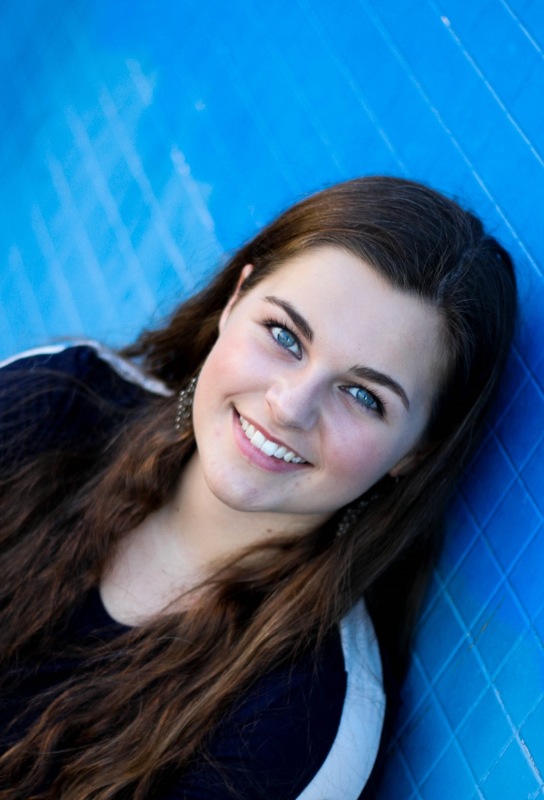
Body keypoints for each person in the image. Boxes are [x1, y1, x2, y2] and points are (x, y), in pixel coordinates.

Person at [0, 176, 517, 799]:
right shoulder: (54, 401)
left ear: (417, 451)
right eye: (284, 336)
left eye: (363, 396)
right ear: (235, 300)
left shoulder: (302, 722)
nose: (290, 406)